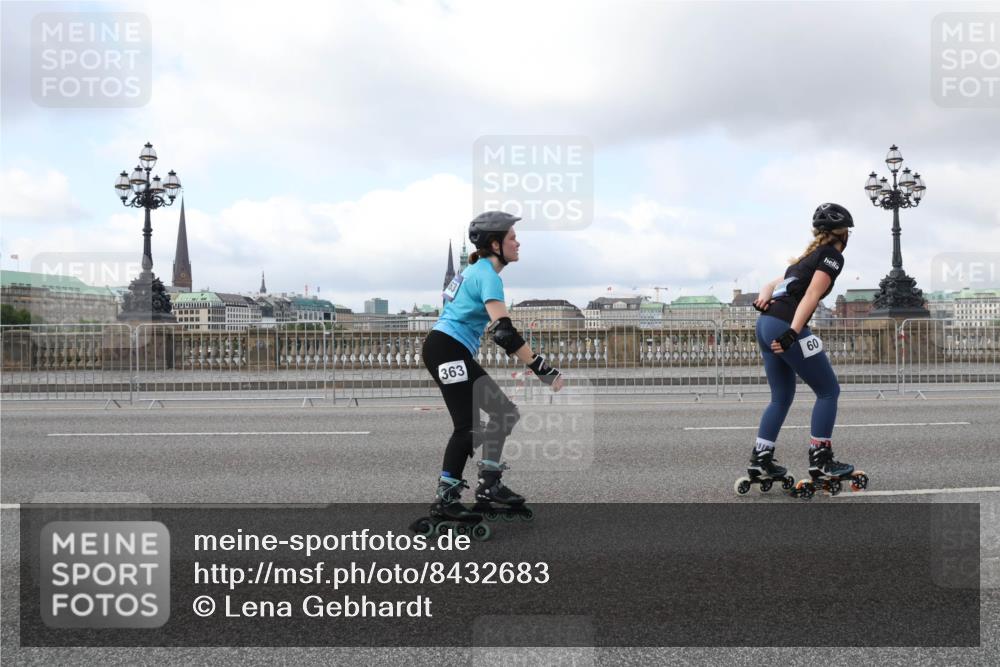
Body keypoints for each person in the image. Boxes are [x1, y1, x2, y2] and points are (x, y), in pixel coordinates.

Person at [420, 211, 564, 526]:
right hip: (446, 350)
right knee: (467, 426)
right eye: (512, 238)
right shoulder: (487, 276)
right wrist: (543, 369)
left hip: (449, 349)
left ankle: (489, 484)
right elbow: (504, 334)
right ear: (495, 244)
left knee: (504, 413)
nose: (518, 242)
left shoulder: (476, 271)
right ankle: (446, 498)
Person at [748, 202, 856, 488]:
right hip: (786, 325)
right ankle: (821, 460)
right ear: (843, 235)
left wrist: (762, 298)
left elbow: (769, 285)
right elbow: (812, 294)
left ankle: (762, 459)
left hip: (766, 323)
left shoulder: (802, 260)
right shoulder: (832, 256)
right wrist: (793, 333)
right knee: (828, 390)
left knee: (780, 397)